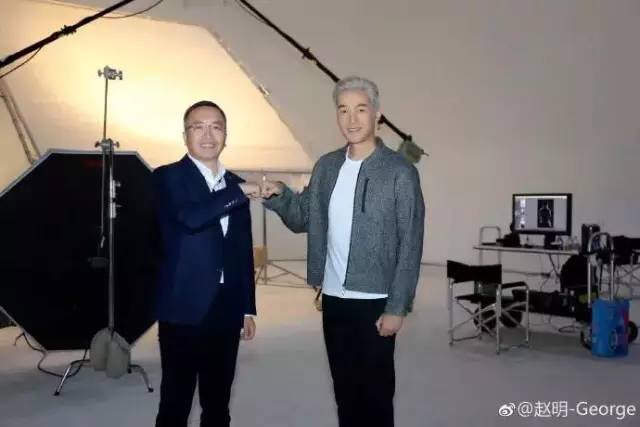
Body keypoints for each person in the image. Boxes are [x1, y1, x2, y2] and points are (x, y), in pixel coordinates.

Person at [262, 76, 425, 427]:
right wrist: (280, 196)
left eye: (361, 110)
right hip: (334, 299)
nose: (352, 119)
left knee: (376, 397)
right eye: (343, 110)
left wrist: (397, 307)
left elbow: (410, 244)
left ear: (377, 115)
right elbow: (304, 217)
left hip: (375, 301)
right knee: (345, 394)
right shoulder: (326, 166)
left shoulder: (400, 172)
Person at [152, 100, 259, 427]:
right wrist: (238, 193)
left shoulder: (235, 183)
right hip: (183, 306)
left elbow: (241, 250)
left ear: (226, 135)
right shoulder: (168, 176)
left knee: (218, 402)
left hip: (226, 307)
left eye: (216, 127)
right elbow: (190, 218)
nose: (208, 135)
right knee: (175, 402)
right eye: (198, 127)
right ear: (185, 135)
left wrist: (247, 308)